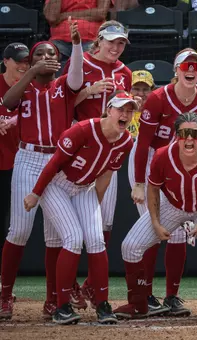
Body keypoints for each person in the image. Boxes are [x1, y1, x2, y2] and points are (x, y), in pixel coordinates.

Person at [21, 91, 135, 324]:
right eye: (121, 109)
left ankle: (102, 303)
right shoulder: (83, 129)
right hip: (57, 185)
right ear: (109, 110)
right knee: (73, 238)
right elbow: (54, 164)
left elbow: (106, 175)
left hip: (85, 188)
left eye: (129, 110)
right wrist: (36, 193)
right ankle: (62, 306)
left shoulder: (126, 141)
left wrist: (96, 205)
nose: (125, 114)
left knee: (96, 239)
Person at [116, 112, 197, 323]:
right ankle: (138, 303)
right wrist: (155, 222)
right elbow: (153, 190)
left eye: (195, 133)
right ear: (176, 135)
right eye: (183, 133)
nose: (189, 139)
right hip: (171, 206)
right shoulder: (163, 156)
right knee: (129, 246)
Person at [0, 21, 83, 321]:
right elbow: (8, 102)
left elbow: (76, 77)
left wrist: (74, 45)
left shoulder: (63, 86)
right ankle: (5, 295)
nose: (47, 57)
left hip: (57, 162)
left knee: (55, 237)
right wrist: (31, 74)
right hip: (28, 158)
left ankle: (52, 301)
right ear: (31, 62)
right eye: (39, 55)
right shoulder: (24, 87)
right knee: (19, 230)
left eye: (51, 54)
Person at [129, 48, 197, 317]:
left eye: (196, 66)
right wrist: (140, 183)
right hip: (153, 160)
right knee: (151, 231)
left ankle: (172, 296)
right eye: (186, 65)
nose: (191, 70)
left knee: (178, 232)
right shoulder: (157, 98)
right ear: (176, 70)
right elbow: (143, 144)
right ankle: (146, 294)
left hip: (185, 165)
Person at [64, 19, 133, 306]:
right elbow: (63, 103)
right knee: (66, 232)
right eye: (111, 41)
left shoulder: (124, 72)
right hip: (81, 148)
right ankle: (62, 290)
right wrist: (89, 92)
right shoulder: (82, 63)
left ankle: (91, 285)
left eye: (121, 43)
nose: (115, 47)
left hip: (110, 150)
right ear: (99, 40)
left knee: (103, 221)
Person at [0, 43, 30, 268]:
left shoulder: (29, 88)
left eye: (26, 61)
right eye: (18, 60)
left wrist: (14, 120)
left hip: (20, 164)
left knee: (10, 224)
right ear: (6, 61)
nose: (23, 65)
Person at [43, 0, 111, 63]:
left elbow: (101, 13)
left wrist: (65, 15)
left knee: (92, 65)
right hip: (59, 41)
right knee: (44, 58)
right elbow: (52, 17)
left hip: (91, 40)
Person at [127, 70, 155, 138]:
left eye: (145, 89)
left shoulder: (157, 112)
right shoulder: (120, 111)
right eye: (136, 89)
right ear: (128, 90)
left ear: (152, 91)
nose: (141, 94)